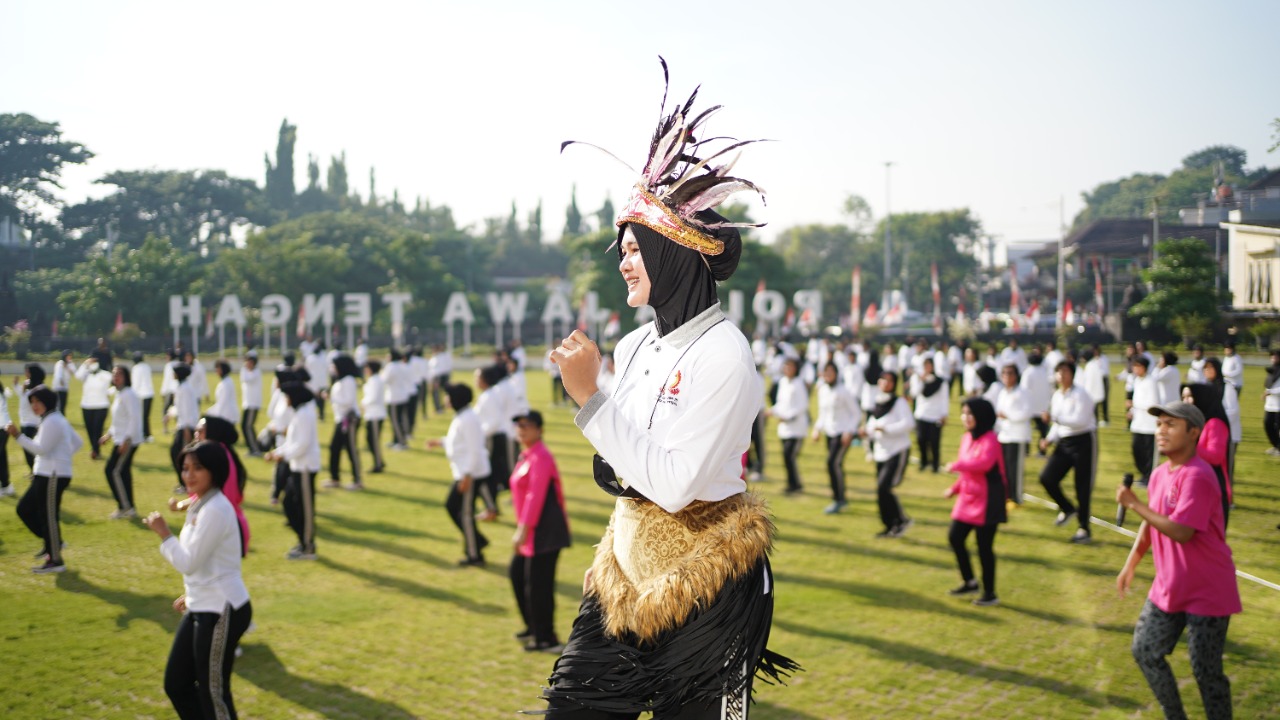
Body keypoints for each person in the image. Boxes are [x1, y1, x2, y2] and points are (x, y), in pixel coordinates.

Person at [542, 65, 796, 717]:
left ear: (676, 253)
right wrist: (606, 422)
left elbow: (677, 485)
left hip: (712, 579)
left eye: (635, 247)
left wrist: (591, 399)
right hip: (624, 575)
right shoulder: (632, 346)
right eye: (622, 247)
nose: (623, 259)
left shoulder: (724, 352)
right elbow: (620, 469)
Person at [1116, 401, 1239, 720]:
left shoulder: (1198, 476)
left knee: (1206, 673)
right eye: (1159, 424)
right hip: (1170, 586)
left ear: (1193, 433)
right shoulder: (1158, 475)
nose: (1162, 431)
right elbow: (1152, 522)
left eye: (1171, 425)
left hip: (1207, 590)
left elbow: (1182, 531)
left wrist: (1134, 505)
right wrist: (1131, 563)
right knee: (1145, 650)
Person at [143, 441, 253, 719]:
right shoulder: (200, 504)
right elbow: (203, 561)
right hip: (203, 605)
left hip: (222, 609)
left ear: (214, 471)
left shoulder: (215, 508)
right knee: (176, 684)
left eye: (198, 468)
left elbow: (188, 562)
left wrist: (164, 534)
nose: (189, 475)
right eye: (185, 468)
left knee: (212, 692)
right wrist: (192, 596)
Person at [508, 410, 571, 652]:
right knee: (517, 575)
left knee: (539, 586)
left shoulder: (541, 457)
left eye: (527, 425)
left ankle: (546, 638)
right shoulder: (526, 455)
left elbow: (536, 495)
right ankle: (533, 627)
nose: (521, 429)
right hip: (532, 530)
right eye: (518, 425)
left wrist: (523, 529)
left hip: (544, 531)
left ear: (539, 430)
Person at [9, 385, 83, 573]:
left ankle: (56, 560)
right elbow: (77, 443)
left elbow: (41, 449)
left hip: (52, 475)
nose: (34, 406)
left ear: (47, 401)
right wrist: (62, 457)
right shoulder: (53, 418)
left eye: (38, 401)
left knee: (48, 516)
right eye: (32, 402)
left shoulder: (53, 421)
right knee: (25, 509)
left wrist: (18, 436)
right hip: (47, 474)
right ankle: (53, 543)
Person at [943, 398, 1007, 606]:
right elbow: (968, 471)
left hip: (989, 500)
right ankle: (970, 581)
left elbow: (983, 464)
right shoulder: (966, 438)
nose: (966, 418)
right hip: (968, 497)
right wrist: (954, 489)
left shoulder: (991, 439)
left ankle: (990, 593)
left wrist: (956, 464)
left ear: (981, 416)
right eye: (963, 413)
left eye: (970, 414)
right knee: (955, 537)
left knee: (984, 547)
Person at [427, 383, 490, 566]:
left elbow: (475, 449)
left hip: (470, 474)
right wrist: (439, 442)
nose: (445, 400)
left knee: (464, 513)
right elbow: (459, 442)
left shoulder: (468, 419)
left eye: (448, 396)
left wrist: (467, 476)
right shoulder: (463, 416)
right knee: (452, 506)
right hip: (464, 472)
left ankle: (474, 554)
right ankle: (477, 541)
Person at [1038, 361, 1097, 544]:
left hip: (1083, 441)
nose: (1061, 376)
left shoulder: (1082, 394)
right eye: (1059, 372)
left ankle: (1084, 529)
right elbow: (1058, 424)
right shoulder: (1057, 395)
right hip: (1064, 442)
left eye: (1065, 372)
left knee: (1082, 486)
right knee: (1047, 478)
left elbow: (1080, 420)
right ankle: (1067, 508)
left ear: (1072, 374)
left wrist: (1055, 418)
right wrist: (1048, 439)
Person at [265, 382, 321, 560]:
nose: (286, 400)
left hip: (304, 467)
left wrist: (283, 456)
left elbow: (302, 445)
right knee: (289, 502)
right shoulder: (299, 414)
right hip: (297, 466)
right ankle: (302, 540)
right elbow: (291, 442)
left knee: (304, 509)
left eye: (288, 396)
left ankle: (308, 547)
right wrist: (277, 452)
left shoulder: (305, 414)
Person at [861, 371, 915, 538]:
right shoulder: (877, 401)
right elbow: (872, 425)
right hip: (881, 452)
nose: (885, 383)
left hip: (897, 450)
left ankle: (900, 520)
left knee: (884, 488)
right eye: (882, 379)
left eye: (889, 380)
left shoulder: (899, 402)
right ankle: (889, 524)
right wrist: (866, 432)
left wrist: (886, 429)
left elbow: (909, 423)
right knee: (881, 490)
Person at [1181, 384, 1233, 530]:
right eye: (1183, 397)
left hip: (1213, 485)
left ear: (1201, 398)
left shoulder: (1215, 423)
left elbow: (1216, 457)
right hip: (1194, 481)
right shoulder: (1192, 423)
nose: (1186, 401)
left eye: (1190, 396)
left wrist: (1188, 444)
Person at [812, 361, 860, 513]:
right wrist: (817, 429)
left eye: (831, 372)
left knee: (833, 463)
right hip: (830, 433)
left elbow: (856, 413)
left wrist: (849, 431)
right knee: (834, 465)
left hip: (842, 434)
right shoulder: (823, 390)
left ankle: (839, 499)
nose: (828, 375)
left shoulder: (843, 391)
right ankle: (838, 497)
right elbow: (823, 413)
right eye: (825, 372)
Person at [102, 365, 143, 519]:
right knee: (121, 472)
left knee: (113, 471)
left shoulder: (129, 394)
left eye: (119, 374)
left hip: (128, 441)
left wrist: (127, 440)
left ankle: (125, 507)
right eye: (114, 374)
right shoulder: (119, 394)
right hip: (120, 439)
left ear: (126, 376)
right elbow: (119, 420)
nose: (115, 377)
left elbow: (134, 419)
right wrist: (108, 435)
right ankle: (127, 507)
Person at [768, 357, 808, 495]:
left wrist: (789, 416)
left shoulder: (798, 383)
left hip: (796, 428)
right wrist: (773, 410)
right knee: (786, 456)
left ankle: (795, 484)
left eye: (791, 367)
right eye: (786, 366)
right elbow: (780, 402)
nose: (788, 369)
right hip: (784, 428)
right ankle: (791, 483)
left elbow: (803, 405)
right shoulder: (783, 382)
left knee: (790, 455)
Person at [993, 364, 1031, 505]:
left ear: (1016, 375)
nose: (1007, 377)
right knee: (1005, 468)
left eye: (1010, 373)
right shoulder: (1003, 393)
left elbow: (1026, 413)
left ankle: (1017, 498)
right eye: (1005, 374)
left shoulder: (1022, 392)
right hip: (1004, 435)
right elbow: (999, 414)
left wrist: (1008, 415)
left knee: (1015, 469)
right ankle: (1007, 495)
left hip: (1018, 436)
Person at [324, 354, 363, 490]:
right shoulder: (339, 380)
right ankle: (335, 478)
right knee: (334, 448)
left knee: (351, 449)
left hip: (349, 419)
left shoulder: (349, 381)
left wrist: (331, 399)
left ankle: (357, 480)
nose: (332, 368)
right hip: (340, 419)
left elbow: (348, 401)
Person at [909, 357, 948, 473]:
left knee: (934, 442)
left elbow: (944, 399)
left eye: (929, 365)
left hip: (935, 415)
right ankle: (923, 462)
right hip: (921, 414)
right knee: (921, 440)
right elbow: (914, 393)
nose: (927, 368)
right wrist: (921, 380)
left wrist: (944, 414)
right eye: (925, 365)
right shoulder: (917, 379)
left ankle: (935, 465)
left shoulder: (940, 381)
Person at [1127, 357, 1158, 488]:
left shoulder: (1151, 382)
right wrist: (1132, 411)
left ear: (1144, 367)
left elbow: (1152, 403)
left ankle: (1149, 477)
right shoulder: (1137, 381)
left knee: (1148, 453)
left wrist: (1135, 405)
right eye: (1134, 366)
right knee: (1136, 449)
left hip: (1149, 424)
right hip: (1138, 423)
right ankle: (1143, 475)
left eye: (1138, 366)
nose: (1135, 369)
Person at [75, 356, 113, 460]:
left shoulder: (105, 375)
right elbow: (77, 376)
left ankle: (96, 451)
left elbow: (116, 383)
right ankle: (94, 449)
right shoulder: (86, 375)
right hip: (86, 405)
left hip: (101, 406)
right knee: (89, 429)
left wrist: (109, 392)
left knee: (97, 429)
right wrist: (85, 364)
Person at [169, 364, 199, 490]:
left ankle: (185, 484)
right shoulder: (182, 387)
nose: (172, 375)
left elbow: (187, 409)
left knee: (179, 454)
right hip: (183, 425)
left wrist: (186, 428)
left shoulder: (185, 388)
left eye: (174, 372)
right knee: (177, 453)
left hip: (187, 426)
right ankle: (184, 483)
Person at [13, 364, 45, 470]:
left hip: (33, 423)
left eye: (28, 372)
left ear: (33, 374)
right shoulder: (26, 384)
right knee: (26, 448)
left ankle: (36, 471)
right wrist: (16, 385)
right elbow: (22, 395)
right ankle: (34, 471)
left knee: (31, 449)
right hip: (24, 421)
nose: (25, 374)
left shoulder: (39, 388)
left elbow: (32, 401)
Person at [361, 360, 388, 474]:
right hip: (371, 414)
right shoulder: (373, 380)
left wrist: (363, 403)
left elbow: (373, 397)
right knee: (370, 439)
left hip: (376, 414)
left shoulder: (376, 381)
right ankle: (379, 461)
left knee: (373, 440)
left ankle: (378, 464)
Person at [240, 353, 263, 456]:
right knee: (244, 426)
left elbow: (247, 379)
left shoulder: (256, 372)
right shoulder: (247, 372)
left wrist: (244, 369)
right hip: (247, 404)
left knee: (248, 426)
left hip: (253, 404)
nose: (247, 364)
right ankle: (251, 447)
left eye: (249, 362)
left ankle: (255, 449)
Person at [132, 352, 156, 441]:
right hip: (149, 393)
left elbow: (136, 383)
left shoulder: (136, 368)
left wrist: (133, 394)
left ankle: (144, 435)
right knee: (145, 416)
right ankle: (146, 434)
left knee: (142, 416)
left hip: (141, 395)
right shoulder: (147, 367)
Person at [1264, 349, 1280, 457]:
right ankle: (1276, 446)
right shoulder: (1271, 370)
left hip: (1278, 405)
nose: (1273, 359)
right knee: (1267, 424)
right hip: (1269, 405)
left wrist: (1269, 392)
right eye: (1272, 356)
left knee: (1277, 427)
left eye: (1275, 357)